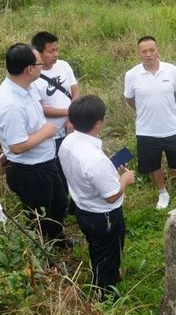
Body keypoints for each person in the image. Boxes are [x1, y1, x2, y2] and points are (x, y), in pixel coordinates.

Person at [0, 43, 69, 246]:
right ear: (29, 69)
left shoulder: (26, 87)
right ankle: (46, 255)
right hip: (30, 171)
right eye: (39, 63)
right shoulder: (10, 104)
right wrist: (46, 131)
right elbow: (16, 146)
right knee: (40, 217)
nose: (42, 65)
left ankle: (58, 239)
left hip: (45, 161)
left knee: (59, 203)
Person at [58, 95, 135, 299]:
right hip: (104, 217)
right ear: (99, 122)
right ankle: (105, 296)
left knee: (97, 248)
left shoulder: (68, 142)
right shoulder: (94, 159)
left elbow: (88, 176)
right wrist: (125, 178)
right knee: (108, 255)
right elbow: (110, 196)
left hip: (83, 209)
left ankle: (102, 274)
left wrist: (109, 172)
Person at [123, 36, 176, 210]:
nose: (149, 54)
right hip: (146, 130)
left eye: (152, 50)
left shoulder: (172, 70)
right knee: (153, 165)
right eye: (144, 51)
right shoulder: (131, 75)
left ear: (158, 50)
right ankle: (163, 193)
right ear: (139, 53)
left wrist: (167, 108)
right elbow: (130, 99)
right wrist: (145, 111)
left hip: (171, 128)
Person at [31, 31, 80, 214]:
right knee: (59, 170)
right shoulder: (33, 76)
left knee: (76, 165)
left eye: (57, 50)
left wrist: (72, 118)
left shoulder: (64, 66)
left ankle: (77, 202)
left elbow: (75, 91)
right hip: (51, 133)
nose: (56, 55)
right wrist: (71, 112)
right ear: (38, 52)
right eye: (51, 51)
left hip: (72, 127)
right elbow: (40, 108)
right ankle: (62, 205)